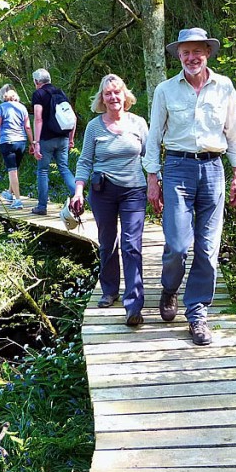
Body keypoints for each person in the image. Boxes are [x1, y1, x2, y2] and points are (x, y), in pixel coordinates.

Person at [144, 28, 236, 346]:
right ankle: (169, 287)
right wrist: (152, 177)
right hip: (177, 168)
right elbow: (154, 136)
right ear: (179, 56)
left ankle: (198, 313)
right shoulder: (165, 90)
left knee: (207, 248)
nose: (192, 58)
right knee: (177, 245)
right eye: (186, 52)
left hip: (213, 169)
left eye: (197, 51)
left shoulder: (224, 88)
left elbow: (234, 133)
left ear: (208, 53)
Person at [70, 74, 149, 326]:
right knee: (107, 242)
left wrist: (157, 186)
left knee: (131, 244)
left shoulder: (138, 123)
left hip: (134, 190)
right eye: (108, 94)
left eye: (117, 92)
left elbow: (150, 158)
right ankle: (110, 290)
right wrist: (78, 190)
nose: (113, 97)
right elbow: (84, 161)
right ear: (102, 99)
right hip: (102, 191)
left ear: (125, 95)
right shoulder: (94, 126)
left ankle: (133, 304)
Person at [30, 68, 77, 215]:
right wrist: (71, 138)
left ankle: (42, 207)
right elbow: (72, 117)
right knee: (64, 168)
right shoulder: (60, 93)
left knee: (43, 171)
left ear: (36, 82)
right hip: (63, 137)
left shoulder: (38, 94)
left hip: (46, 139)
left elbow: (38, 118)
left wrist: (36, 143)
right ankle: (80, 196)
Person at [0, 84, 33, 210]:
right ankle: (10, 194)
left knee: (12, 170)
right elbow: (27, 127)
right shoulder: (22, 108)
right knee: (15, 169)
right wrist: (32, 142)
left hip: (7, 142)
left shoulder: (1, 108)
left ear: (3, 96)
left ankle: (17, 200)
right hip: (21, 142)